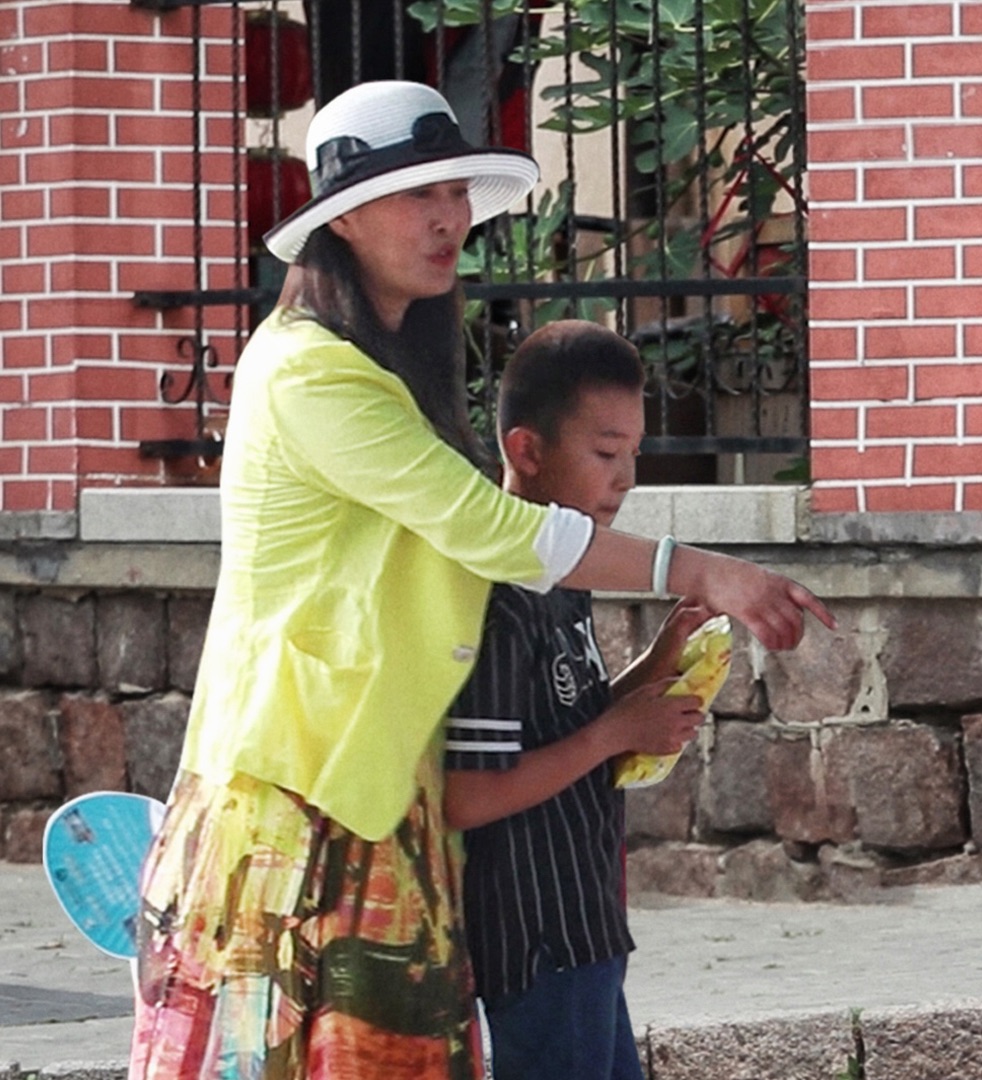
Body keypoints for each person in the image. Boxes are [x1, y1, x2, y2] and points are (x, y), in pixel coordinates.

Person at [128, 80, 833, 1080]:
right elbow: (492, 532)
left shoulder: (384, 370)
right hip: (293, 797)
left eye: (455, 190)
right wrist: (701, 570)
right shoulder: (306, 372)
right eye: (418, 194)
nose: (448, 217)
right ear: (344, 220)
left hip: (377, 797)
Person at [441, 321, 700, 1080]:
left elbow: (576, 722)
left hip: (586, 926)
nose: (624, 479)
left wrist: (660, 662)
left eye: (633, 456)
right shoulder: (499, 599)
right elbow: (470, 792)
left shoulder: (566, 578)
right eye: (604, 453)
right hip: (536, 936)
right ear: (526, 451)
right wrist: (615, 731)